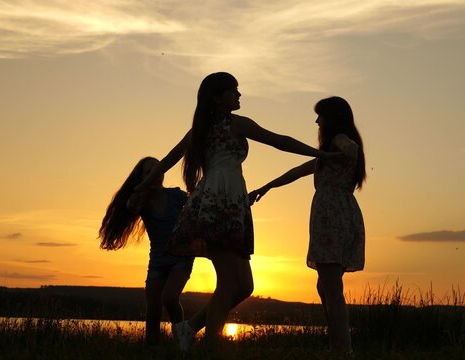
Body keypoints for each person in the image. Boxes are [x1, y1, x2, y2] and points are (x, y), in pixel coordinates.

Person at [132, 72, 335, 352]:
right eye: (234, 91)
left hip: (230, 199)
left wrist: (319, 154)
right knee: (229, 282)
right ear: (218, 97)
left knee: (245, 287)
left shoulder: (216, 128)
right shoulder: (224, 127)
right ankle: (212, 346)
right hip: (219, 200)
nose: (239, 95)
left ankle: (188, 329)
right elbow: (279, 141)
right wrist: (321, 154)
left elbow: (280, 141)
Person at [248, 96, 366, 357]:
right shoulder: (327, 156)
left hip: (331, 216)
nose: (316, 121)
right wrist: (265, 187)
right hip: (341, 215)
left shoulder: (339, 142)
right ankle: (339, 345)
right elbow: (297, 171)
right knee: (325, 286)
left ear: (332, 119)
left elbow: (351, 148)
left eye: (320, 116)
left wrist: (339, 149)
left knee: (331, 287)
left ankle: (344, 350)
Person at [99, 156, 194, 346]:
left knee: (169, 298)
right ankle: (151, 351)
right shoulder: (142, 202)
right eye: (148, 172)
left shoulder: (175, 195)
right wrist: (142, 189)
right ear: (142, 177)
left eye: (157, 170)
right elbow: (130, 205)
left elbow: (196, 204)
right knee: (153, 310)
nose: (154, 175)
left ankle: (184, 343)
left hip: (181, 259)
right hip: (158, 261)